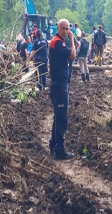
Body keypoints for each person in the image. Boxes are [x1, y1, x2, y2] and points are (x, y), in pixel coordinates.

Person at [48, 19, 76, 160]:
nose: (65, 31)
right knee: (62, 118)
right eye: (63, 28)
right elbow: (72, 55)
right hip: (59, 84)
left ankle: (53, 144)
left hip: (60, 82)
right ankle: (59, 149)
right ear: (57, 28)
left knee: (57, 116)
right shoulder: (57, 42)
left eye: (67, 29)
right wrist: (71, 38)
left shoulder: (60, 42)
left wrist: (71, 42)